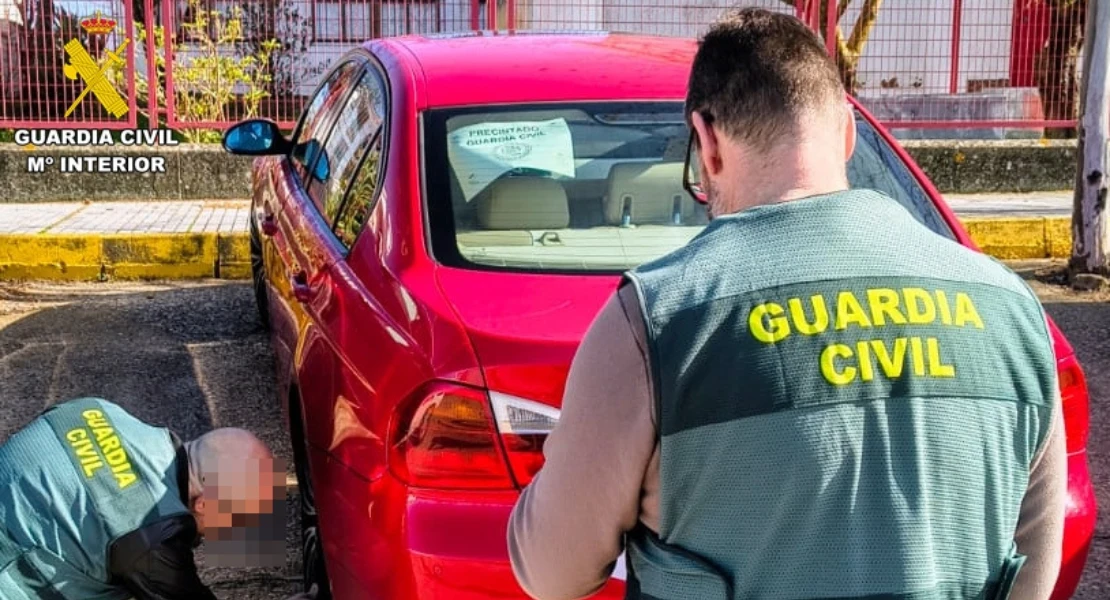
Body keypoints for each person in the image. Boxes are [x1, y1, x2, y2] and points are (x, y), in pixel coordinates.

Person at [507, 8, 1065, 600]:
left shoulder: (657, 320)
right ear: (847, 133)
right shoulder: (1010, 308)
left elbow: (552, 571)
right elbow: (1032, 571)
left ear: (708, 142)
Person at [0, 396, 316, 600]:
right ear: (206, 503)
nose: (233, 535)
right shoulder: (148, 532)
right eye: (239, 520)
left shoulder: (99, 409)